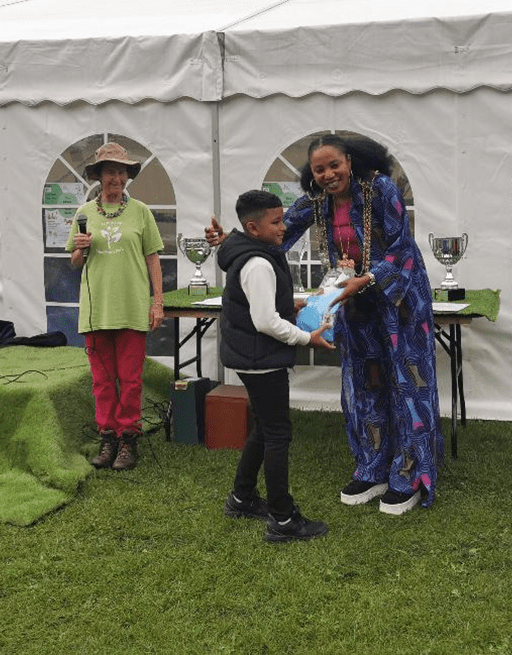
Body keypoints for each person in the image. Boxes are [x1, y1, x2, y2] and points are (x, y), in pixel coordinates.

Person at [207, 134, 444, 515]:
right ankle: (372, 467)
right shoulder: (316, 200)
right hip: (354, 302)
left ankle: (409, 475)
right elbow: (273, 233)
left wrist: (368, 278)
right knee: (364, 384)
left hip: (399, 300)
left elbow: (402, 247)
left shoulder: (381, 188)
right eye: (319, 170)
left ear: (350, 161)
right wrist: (230, 242)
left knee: (406, 384)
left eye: (335, 165)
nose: (329, 175)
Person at [218, 189, 334, 542]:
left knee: (264, 429)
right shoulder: (258, 263)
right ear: (253, 228)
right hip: (261, 360)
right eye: (276, 222)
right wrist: (307, 339)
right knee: (277, 434)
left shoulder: (253, 253)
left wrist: (290, 303)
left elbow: (262, 305)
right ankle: (283, 520)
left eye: (282, 219)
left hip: (251, 356)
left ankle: (241, 498)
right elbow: (266, 322)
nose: (284, 227)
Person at [67, 142, 165, 471]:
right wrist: (80, 248)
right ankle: (108, 437)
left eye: (122, 172)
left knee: (131, 379)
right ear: (99, 176)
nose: (117, 178)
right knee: (103, 381)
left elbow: (153, 258)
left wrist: (158, 303)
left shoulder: (141, 212)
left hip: (132, 307)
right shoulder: (84, 213)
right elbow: (75, 261)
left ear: (127, 176)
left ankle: (128, 440)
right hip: (96, 310)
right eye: (110, 171)